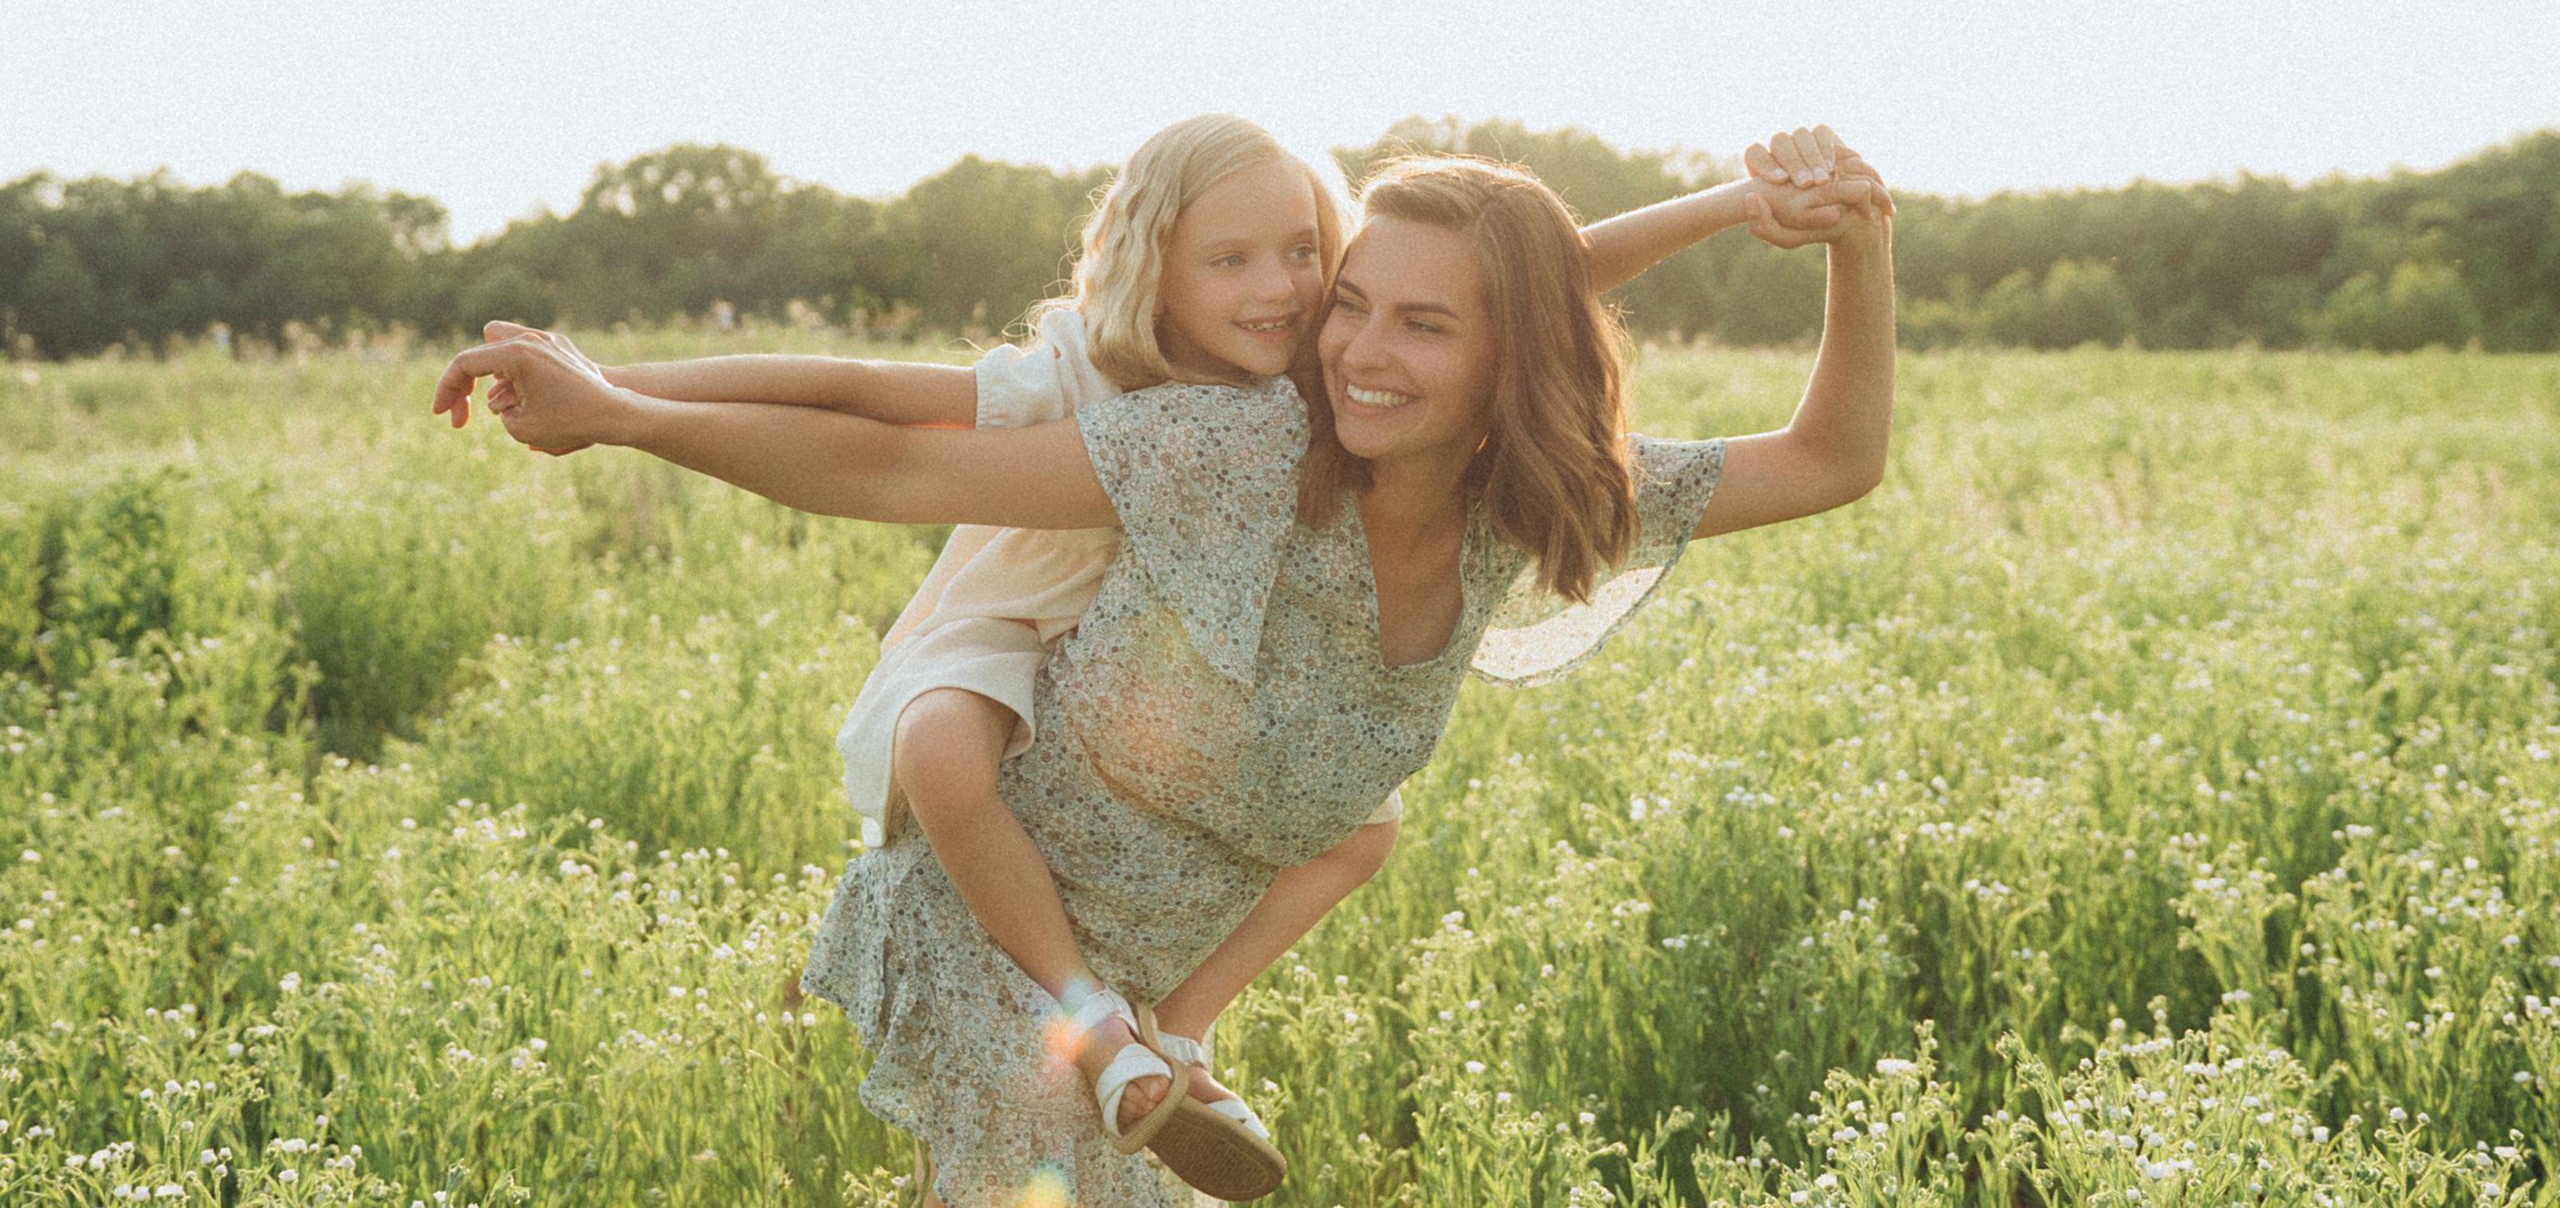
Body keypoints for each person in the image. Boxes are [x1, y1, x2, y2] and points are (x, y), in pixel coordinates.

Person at [434, 125, 1894, 1207]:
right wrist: (625, 412)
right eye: (1351, 304)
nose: (1354, 347)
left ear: (1509, 357)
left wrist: (1851, 234)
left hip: (1157, 983)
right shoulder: (1231, 444)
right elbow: (893, 458)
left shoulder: (1525, 504)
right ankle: (1118, 1037)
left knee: (1362, 840)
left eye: (1416, 322)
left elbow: (1828, 458)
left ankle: (1161, 1043)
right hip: (1009, 925)